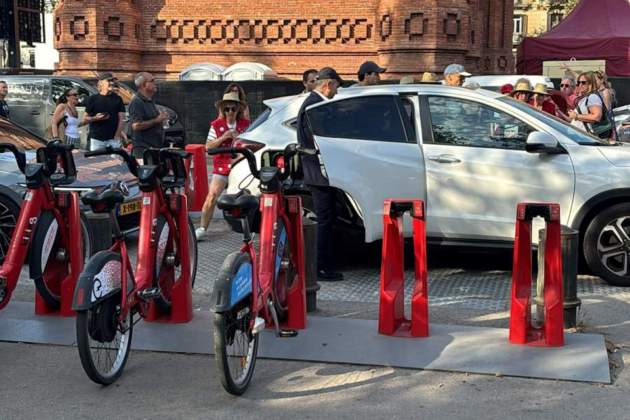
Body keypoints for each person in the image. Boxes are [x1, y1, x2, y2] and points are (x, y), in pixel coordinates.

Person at [296, 67, 343, 281]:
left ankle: (325, 264)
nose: (337, 92)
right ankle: (320, 268)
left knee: (328, 218)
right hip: (319, 172)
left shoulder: (313, 102)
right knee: (325, 220)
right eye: (336, 87)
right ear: (328, 84)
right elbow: (322, 138)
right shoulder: (315, 105)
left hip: (320, 171)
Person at [195, 91, 250, 241]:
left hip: (241, 166)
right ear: (222, 109)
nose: (230, 112)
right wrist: (223, 137)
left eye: (233, 108)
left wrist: (242, 140)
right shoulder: (216, 125)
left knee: (248, 197)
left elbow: (254, 144)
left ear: (239, 108)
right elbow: (208, 147)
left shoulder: (246, 125)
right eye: (227, 109)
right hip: (222, 166)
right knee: (212, 196)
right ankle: (202, 228)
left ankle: (249, 229)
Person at [128, 72, 169, 158]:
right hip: (143, 151)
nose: (155, 83)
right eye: (152, 81)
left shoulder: (149, 100)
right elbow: (136, 126)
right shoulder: (137, 102)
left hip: (154, 148)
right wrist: (156, 120)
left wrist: (161, 118)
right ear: (144, 85)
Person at [83, 72, 126, 151]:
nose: (111, 83)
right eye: (108, 81)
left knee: (116, 163)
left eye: (112, 81)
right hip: (97, 139)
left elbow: (122, 119)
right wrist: (96, 118)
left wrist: (117, 135)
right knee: (98, 162)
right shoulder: (93, 99)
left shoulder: (118, 99)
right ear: (101, 83)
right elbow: (85, 119)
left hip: (113, 139)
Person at [568, 71, 612, 140]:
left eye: (583, 83)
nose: (580, 85)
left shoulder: (593, 97)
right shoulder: (587, 97)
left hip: (590, 138)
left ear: (591, 83)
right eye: (578, 82)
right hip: (584, 137)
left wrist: (576, 116)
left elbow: (596, 117)